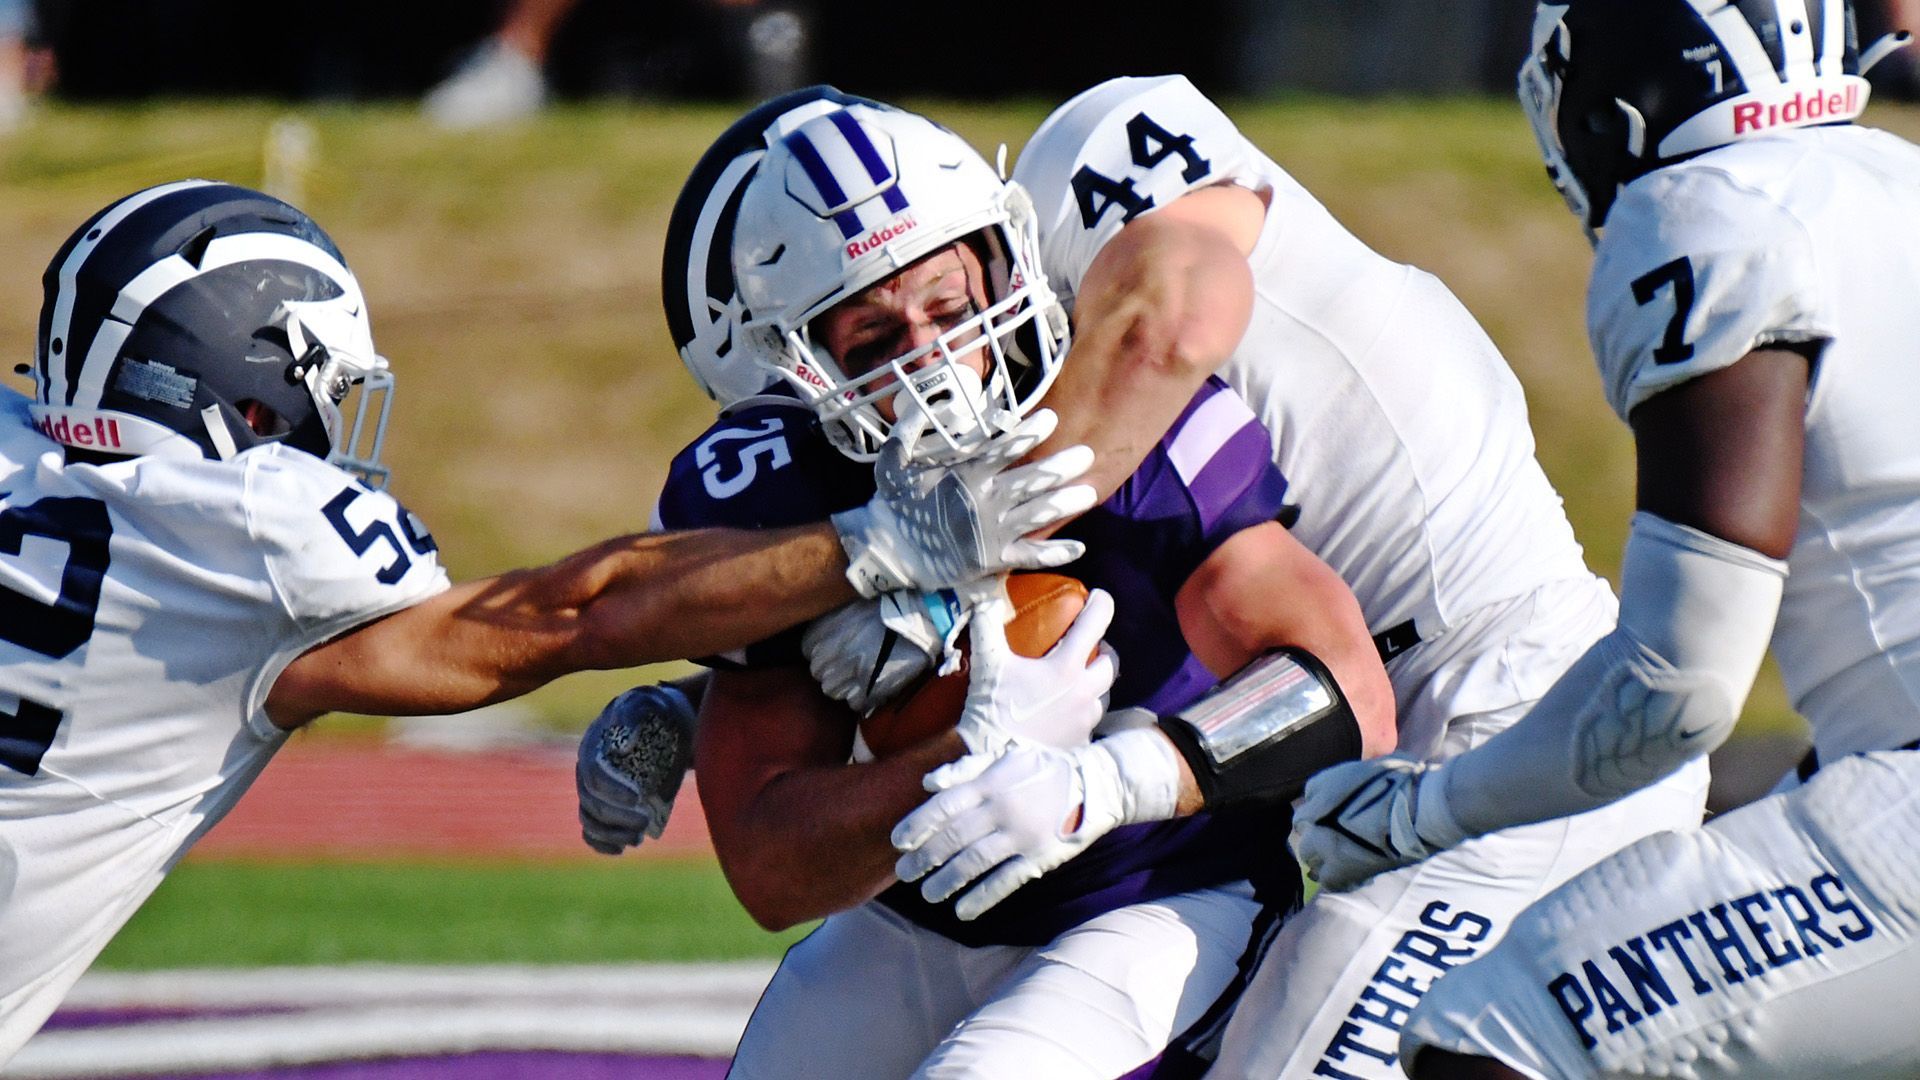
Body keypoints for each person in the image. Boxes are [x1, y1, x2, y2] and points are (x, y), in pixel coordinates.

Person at [0, 179, 1097, 1065]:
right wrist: (879, 544)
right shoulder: (245, 530)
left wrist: (696, 694)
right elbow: (567, 617)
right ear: (248, 401)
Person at [864, 73, 1721, 1079]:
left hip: (1508, 730)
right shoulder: (1326, 298)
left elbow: (1167, 320)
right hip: (1505, 726)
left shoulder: (1168, 271)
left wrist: (924, 545)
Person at [632, 90, 1406, 1079]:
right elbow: (776, 867)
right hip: (923, 907)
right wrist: (969, 753)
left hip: (1156, 895)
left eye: (952, 308)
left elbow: (1346, 690)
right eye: (873, 342)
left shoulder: (1140, 422)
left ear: (1008, 264)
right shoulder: (774, 489)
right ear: (799, 364)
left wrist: (1098, 785)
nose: (932, 361)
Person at [1280, 2, 1920, 1076]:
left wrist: (1425, 812)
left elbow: (1675, 690)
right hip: (1883, 777)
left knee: (1490, 1032)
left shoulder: (1708, 212)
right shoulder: (1892, 181)